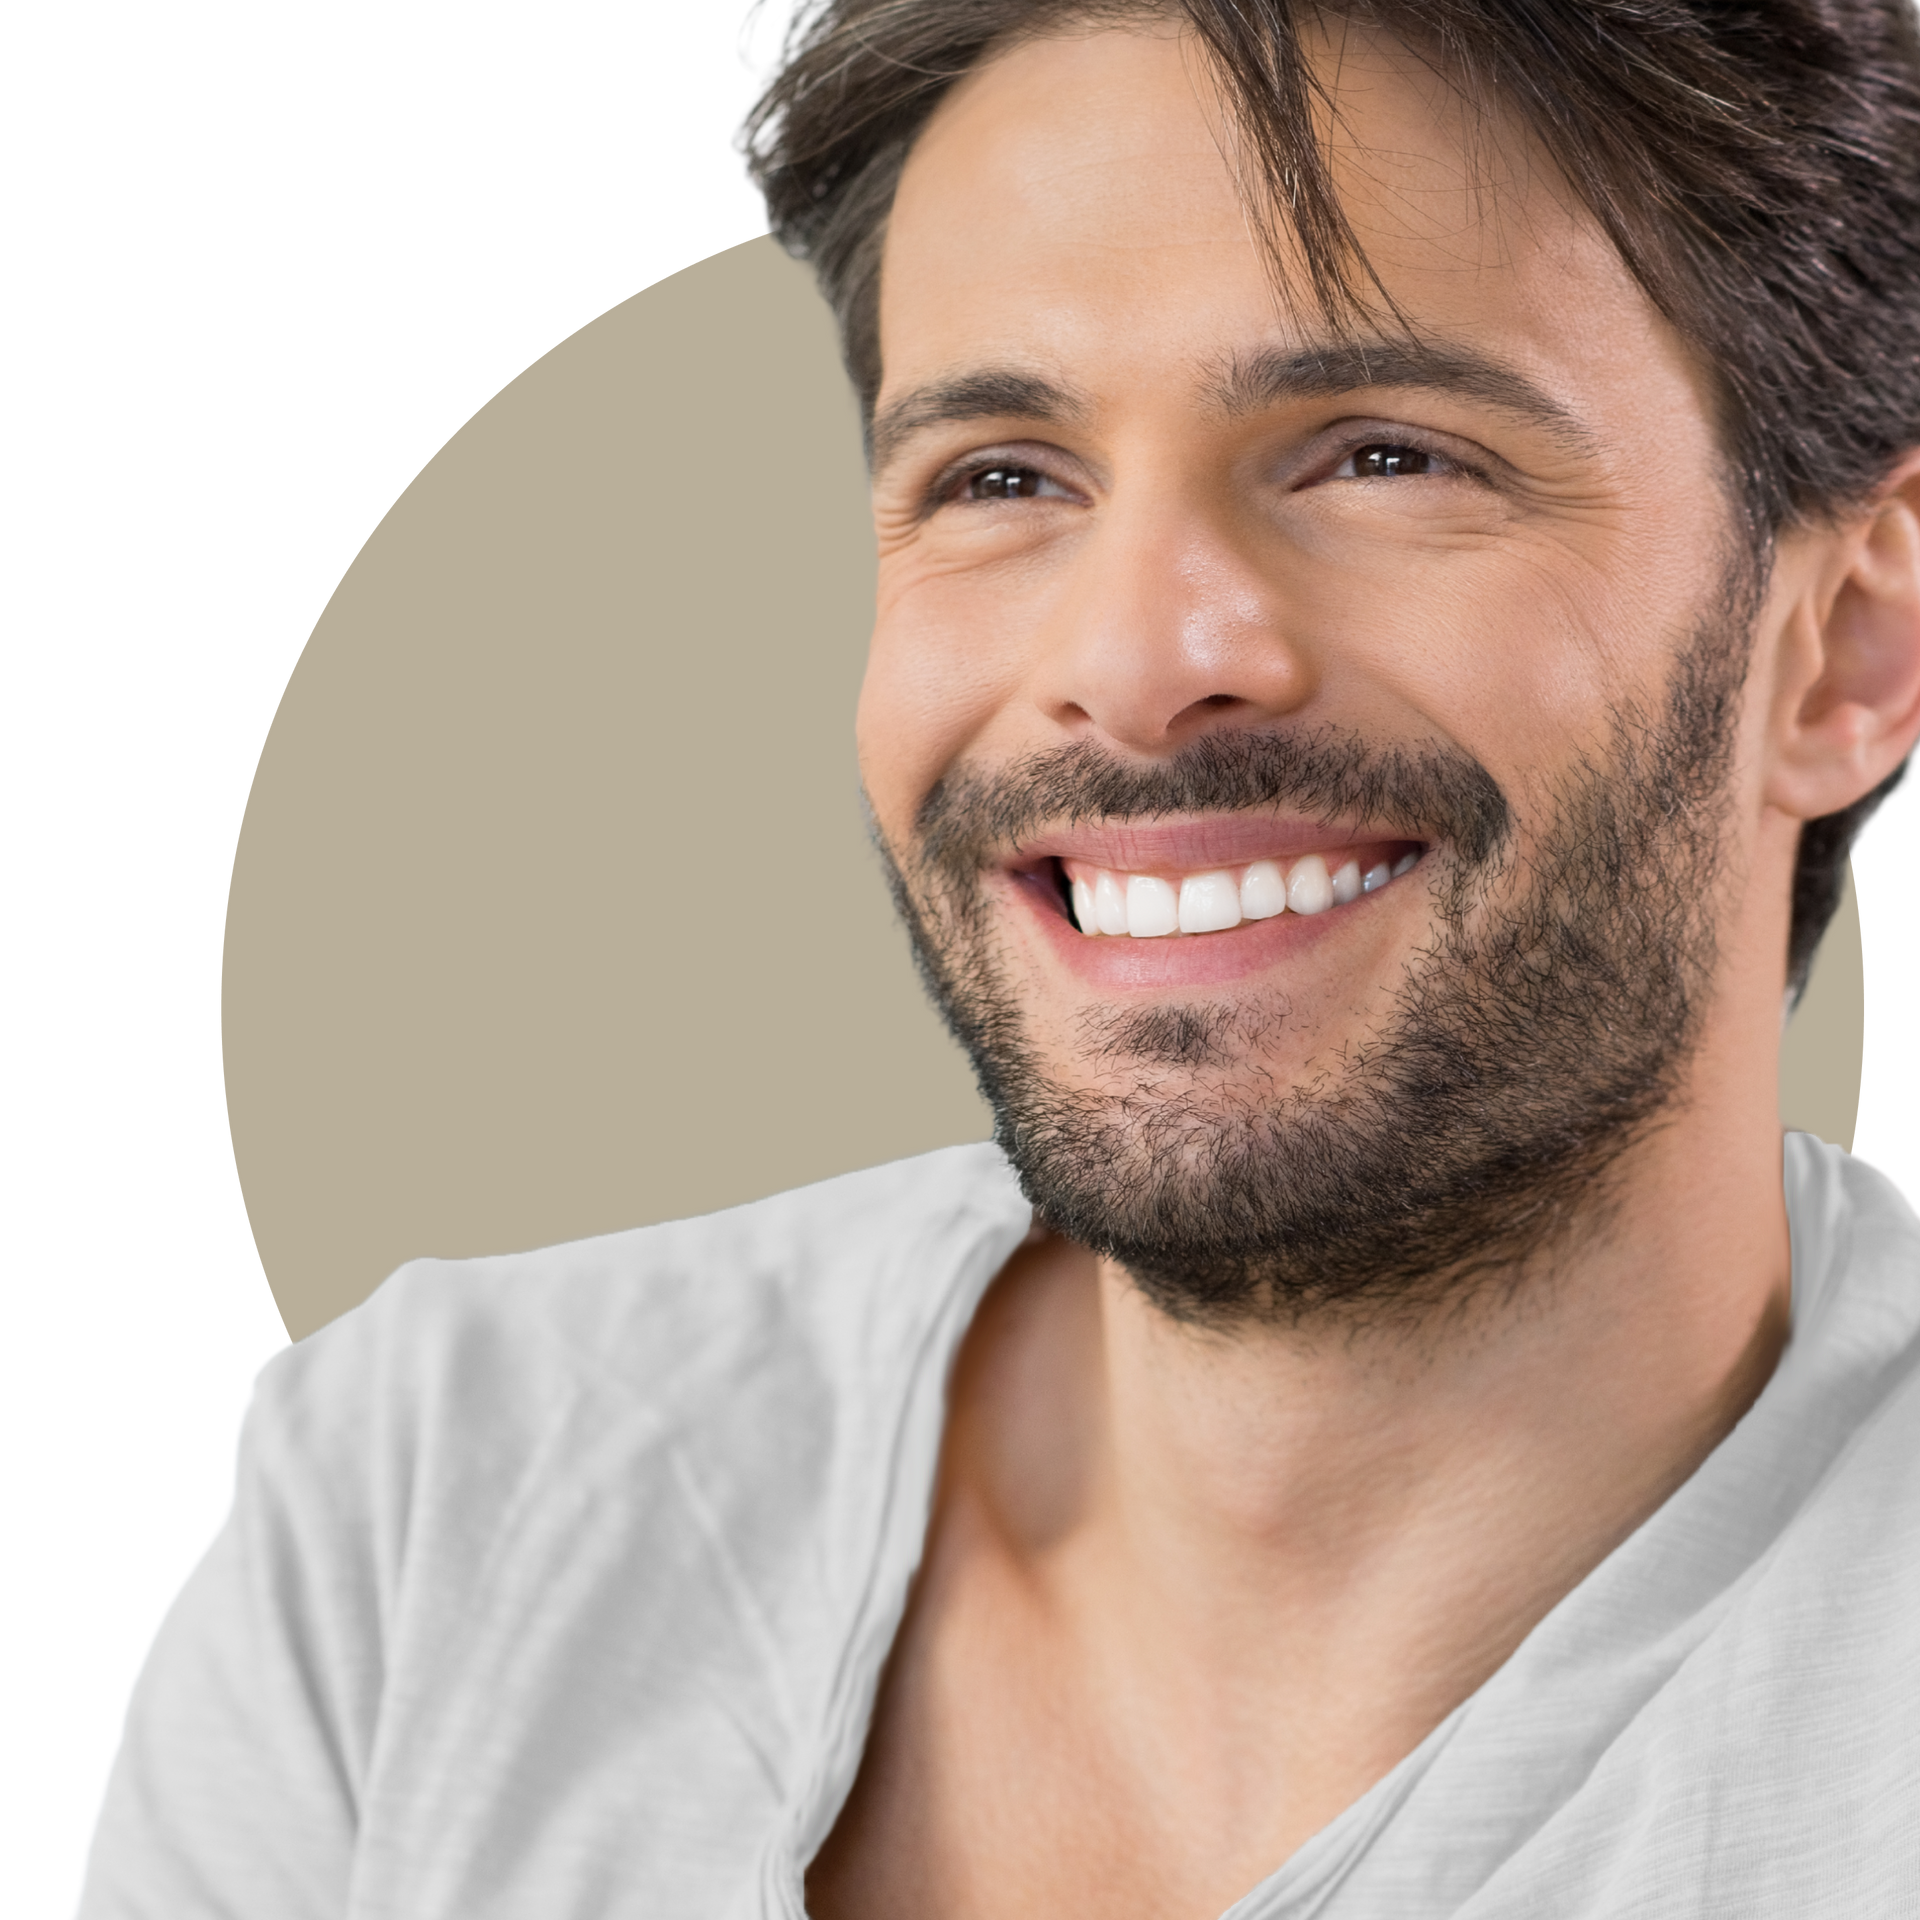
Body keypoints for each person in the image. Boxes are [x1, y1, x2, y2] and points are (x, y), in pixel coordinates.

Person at [74, 1, 1920, 1914]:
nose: (1127, 666)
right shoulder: (426, 1510)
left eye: (1383, 455)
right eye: (1004, 477)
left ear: (1852, 644)